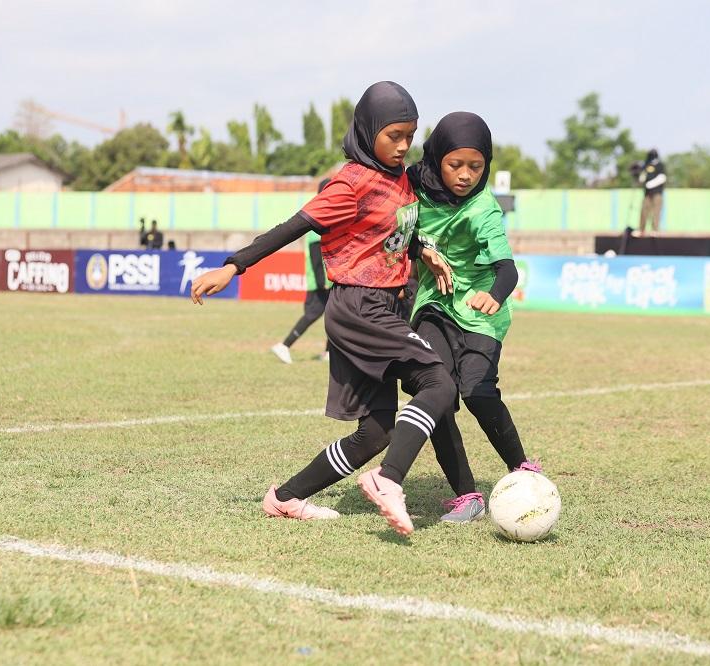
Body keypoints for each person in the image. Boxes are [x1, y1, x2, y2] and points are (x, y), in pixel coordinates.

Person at [191, 81, 454, 537]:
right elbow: (294, 226)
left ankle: (286, 497)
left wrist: (422, 249)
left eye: (409, 135)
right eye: (393, 135)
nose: (403, 145)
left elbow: (389, 234)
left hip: (382, 307)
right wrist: (233, 266)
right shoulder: (351, 182)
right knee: (438, 381)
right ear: (368, 130)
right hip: (359, 306)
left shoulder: (400, 180)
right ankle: (388, 482)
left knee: (375, 434)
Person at [406, 112, 539, 524]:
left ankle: (522, 469)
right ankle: (467, 495)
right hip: (433, 304)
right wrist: (418, 250)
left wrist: (494, 297)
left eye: (476, 167)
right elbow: (393, 229)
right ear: (436, 158)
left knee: (477, 392)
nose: (465, 175)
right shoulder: (413, 186)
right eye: (455, 165)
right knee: (437, 392)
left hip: (482, 314)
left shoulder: (484, 209)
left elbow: (508, 270)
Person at [270, 178, 333, 364]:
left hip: (324, 281)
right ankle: (284, 346)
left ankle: (329, 352)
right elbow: (315, 257)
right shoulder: (317, 222)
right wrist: (323, 282)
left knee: (333, 315)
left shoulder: (324, 219)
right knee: (313, 315)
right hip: (319, 283)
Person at [637, 148, 667, 235]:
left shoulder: (660, 165)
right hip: (647, 193)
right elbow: (642, 177)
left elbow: (662, 178)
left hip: (657, 193)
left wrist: (650, 184)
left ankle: (655, 230)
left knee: (656, 211)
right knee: (644, 210)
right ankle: (641, 230)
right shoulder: (646, 165)